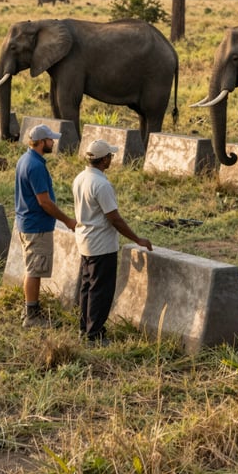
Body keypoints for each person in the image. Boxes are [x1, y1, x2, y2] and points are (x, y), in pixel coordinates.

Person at [72, 139, 153, 344]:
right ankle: (95, 334)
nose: (111, 160)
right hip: (101, 245)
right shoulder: (102, 184)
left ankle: (85, 328)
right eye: (111, 156)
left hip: (85, 241)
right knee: (101, 290)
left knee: (87, 287)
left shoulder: (80, 177)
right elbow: (114, 218)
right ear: (104, 159)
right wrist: (137, 239)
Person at [14, 123, 76, 327]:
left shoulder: (25, 159)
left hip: (26, 222)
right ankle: (31, 316)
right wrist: (67, 220)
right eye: (50, 140)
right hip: (37, 226)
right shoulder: (36, 166)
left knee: (33, 268)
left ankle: (30, 311)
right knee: (34, 270)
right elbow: (45, 201)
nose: (53, 142)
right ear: (41, 142)